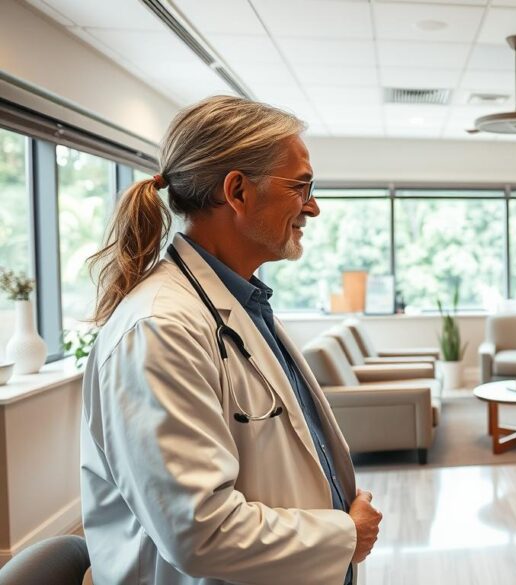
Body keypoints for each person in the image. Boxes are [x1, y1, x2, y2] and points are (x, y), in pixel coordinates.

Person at [80, 96, 381, 584]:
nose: (313, 206)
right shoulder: (160, 328)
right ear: (238, 191)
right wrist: (344, 533)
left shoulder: (238, 305)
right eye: (301, 185)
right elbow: (198, 531)